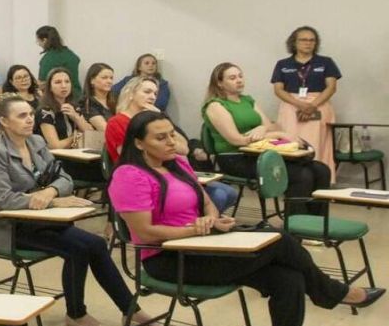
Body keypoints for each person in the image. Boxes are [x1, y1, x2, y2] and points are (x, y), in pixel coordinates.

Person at [111, 110, 382, 326]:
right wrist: (196, 229)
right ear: (139, 143)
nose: (172, 142)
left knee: (289, 280)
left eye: (172, 134)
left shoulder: (178, 163)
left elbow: (205, 201)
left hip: (205, 244)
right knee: (281, 240)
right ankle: (332, 292)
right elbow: (145, 232)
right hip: (169, 258)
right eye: (161, 138)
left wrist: (213, 219)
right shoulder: (129, 176)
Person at [0, 96, 163, 326]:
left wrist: (50, 191)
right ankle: (77, 314)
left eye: (30, 114)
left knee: (95, 243)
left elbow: (64, 178)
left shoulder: (35, 142)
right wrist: (53, 200)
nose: (29, 119)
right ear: (3, 121)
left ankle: (131, 311)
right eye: (21, 116)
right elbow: (3, 199)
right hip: (7, 225)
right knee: (78, 249)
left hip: (40, 220)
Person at [202, 62, 330, 216]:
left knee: (321, 170)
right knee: (301, 175)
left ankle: (317, 225)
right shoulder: (215, 105)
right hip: (235, 158)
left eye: (240, 76)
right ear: (219, 83)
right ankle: (298, 227)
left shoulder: (247, 100)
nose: (239, 80)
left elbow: (270, 126)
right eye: (232, 78)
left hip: (259, 153)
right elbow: (237, 140)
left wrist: (262, 129)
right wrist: (277, 135)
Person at [108, 77, 239, 214]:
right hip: (146, 175)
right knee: (219, 194)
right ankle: (191, 221)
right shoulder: (118, 122)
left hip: (171, 170)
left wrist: (160, 116)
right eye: (147, 92)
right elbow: (129, 156)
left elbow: (184, 148)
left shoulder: (156, 119)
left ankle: (200, 220)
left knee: (230, 193)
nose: (152, 97)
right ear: (131, 94)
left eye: (155, 93)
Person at [271, 26, 340, 176]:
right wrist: (300, 104)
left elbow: (331, 87)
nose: (308, 43)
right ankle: (290, 180)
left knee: (317, 145)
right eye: (303, 40)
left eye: (312, 40)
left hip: (318, 105)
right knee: (290, 144)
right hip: (291, 106)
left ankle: (319, 180)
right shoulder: (282, 64)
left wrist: (312, 106)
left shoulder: (326, 62)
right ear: (294, 42)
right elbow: (278, 89)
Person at [37, 68, 93, 150]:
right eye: (58, 82)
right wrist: (77, 136)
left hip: (77, 155)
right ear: (50, 87)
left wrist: (76, 117)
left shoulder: (75, 107)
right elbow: (56, 146)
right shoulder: (45, 111)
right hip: (57, 158)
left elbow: (91, 133)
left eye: (67, 82)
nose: (64, 86)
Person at [36, 25, 81, 95]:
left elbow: (42, 83)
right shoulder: (70, 54)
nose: (38, 44)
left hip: (59, 96)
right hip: (76, 94)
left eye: (38, 41)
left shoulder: (48, 58)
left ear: (44, 40)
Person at [82, 63, 116, 132]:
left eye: (111, 78)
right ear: (92, 80)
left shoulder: (116, 100)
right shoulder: (87, 103)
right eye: (104, 78)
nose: (109, 81)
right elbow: (105, 130)